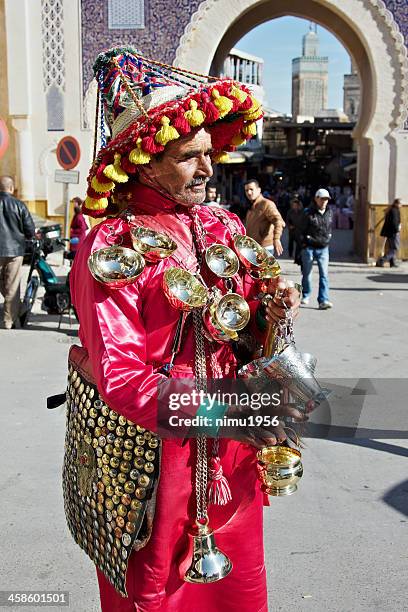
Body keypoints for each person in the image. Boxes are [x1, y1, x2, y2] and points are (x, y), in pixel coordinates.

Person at [69, 47, 306, 612]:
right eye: (188, 156)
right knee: (162, 594)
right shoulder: (113, 245)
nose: (207, 169)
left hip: (234, 455)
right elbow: (121, 375)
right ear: (145, 161)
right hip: (157, 461)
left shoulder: (222, 225)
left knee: (238, 588)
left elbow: (247, 334)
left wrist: (273, 312)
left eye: (208, 154)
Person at [0, 175, 35, 329]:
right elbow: (30, 230)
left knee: (6, 286)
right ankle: (8, 321)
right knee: (12, 286)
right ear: (11, 188)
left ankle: (12, 315)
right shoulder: (19, 205)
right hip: (14, 251)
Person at [299, 188, 334, 310]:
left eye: (326, 199)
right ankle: (306, 294)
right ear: (316, 199)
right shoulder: (308, 212)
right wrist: (303, 244)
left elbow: (329, 227)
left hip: (324, 247)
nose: (324, 201)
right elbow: (301, 229)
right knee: (307, 274)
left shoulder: (330, 212)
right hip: (309, 247)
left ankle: (323, 300)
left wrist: (329, 237)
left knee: (324, 274)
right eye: (322, 198)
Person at [244, 179, 285, 256]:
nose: (249, 192)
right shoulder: (252, 205)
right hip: (253, 247)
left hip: (265, 248)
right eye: (246, 190)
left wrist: (276, 239)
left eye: (251, 189)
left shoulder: (267, 204)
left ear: (259, 190)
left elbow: (279, 221)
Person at [376, 198, 402, 268]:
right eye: (400, 204)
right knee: (394, 248)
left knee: (391, 247)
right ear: (396, 204)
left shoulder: (392, 210)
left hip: (390, 232)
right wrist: (397, 230)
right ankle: (382, 261)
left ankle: (392, 263)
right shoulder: (394, 211)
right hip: (393, 232)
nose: (401, 205)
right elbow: (394, 222)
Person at [286, 197, 303, 263]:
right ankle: (290, 254)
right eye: (294, 205)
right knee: (290, 243)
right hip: (292, 230)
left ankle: (297, 258)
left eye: (296, 205)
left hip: (298, 230)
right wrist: (289, 226)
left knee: (298, 244)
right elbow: (287, 220)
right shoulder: (290, 211)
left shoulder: (301, 211)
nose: (295, 206)